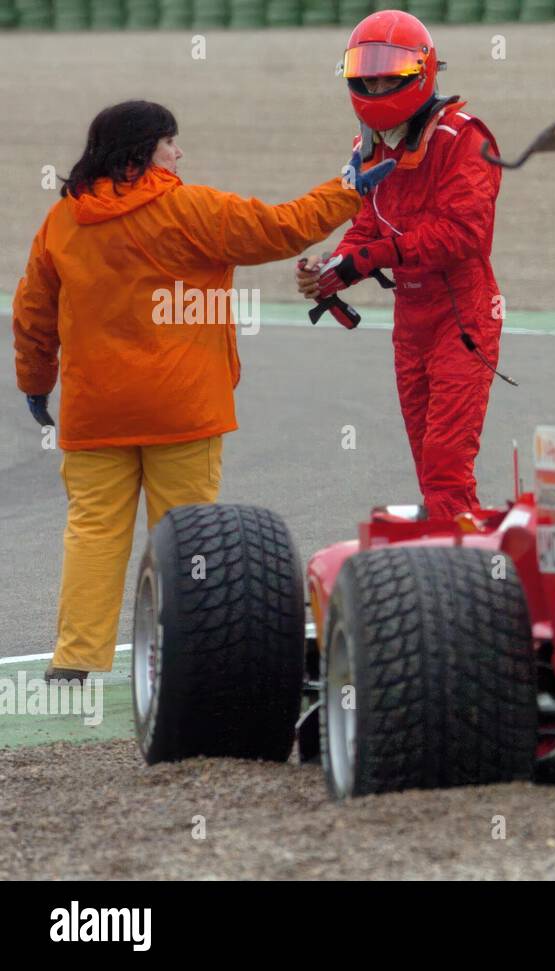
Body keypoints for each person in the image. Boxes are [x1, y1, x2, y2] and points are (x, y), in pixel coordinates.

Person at [12, 99, 391, 681]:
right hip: (183, 408)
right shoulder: (188, 209)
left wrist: (36, 382)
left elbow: (33, 314)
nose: (178, 152)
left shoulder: (62, 221)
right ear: (144, 152)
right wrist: (348, 188)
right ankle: (188, 660)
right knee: (189, 537)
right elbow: (282, 227)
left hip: (94, 413)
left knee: (92, 532)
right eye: (170, 142)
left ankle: (74, 662)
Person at [298, 9, 505, 523]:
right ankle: (452, 558)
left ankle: (465, 573)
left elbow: (462, 235)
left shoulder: (464, 138)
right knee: (427, 462)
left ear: (422, 72)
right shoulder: (365, 146)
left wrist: (370, 258)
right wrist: (331, 266)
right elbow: (368, 226)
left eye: (389, 74)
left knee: (444, 465)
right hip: (410, 321)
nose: (375, 83)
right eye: (366, 74)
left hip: (463, 316)